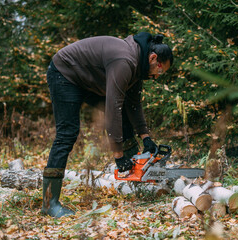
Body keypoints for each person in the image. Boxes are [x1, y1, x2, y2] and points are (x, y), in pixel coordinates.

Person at [42, 32, 173, 218]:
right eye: (159, 71)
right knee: (67, 134)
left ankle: (136, 176)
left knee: (126, 119)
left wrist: (146, 137)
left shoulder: (139, 66)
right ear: (153, 58)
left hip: (87, 79)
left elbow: (133, 105)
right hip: (65, 73)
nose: (158, 76)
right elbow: (113, 108)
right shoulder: (125, 62)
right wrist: (118, 155)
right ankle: (49, 203)